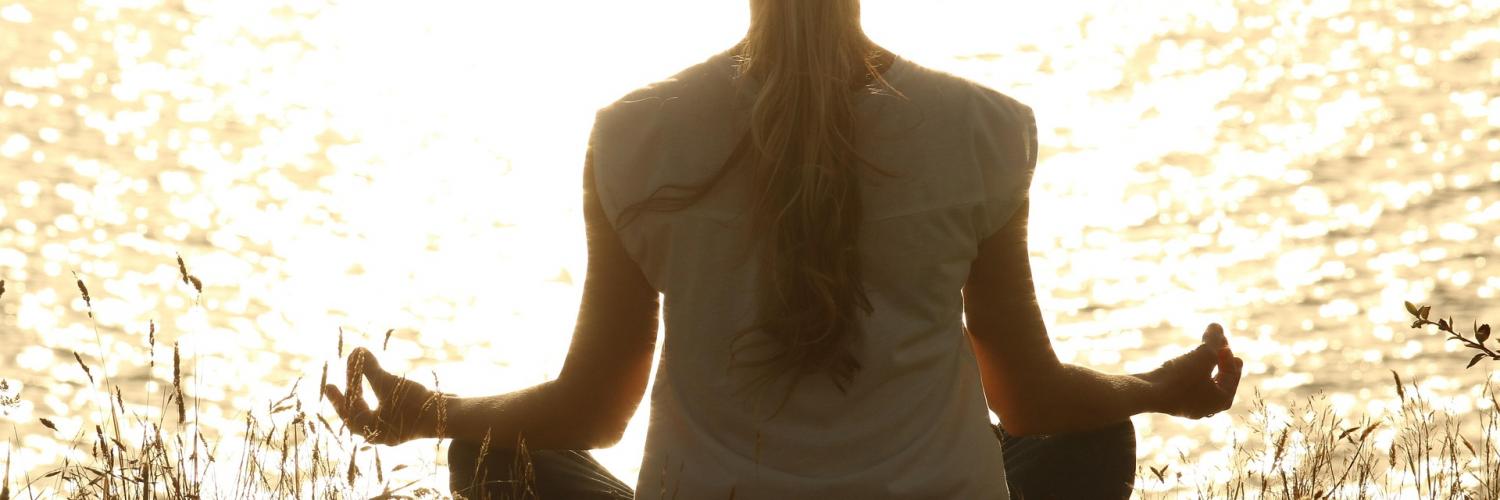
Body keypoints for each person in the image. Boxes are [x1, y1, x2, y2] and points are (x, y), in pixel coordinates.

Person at [321, 1, 1245, 498]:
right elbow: (1029, 397)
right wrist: (1156, 390)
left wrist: (427, 412)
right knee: (1092, 436)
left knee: (487, 461)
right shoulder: (983, 130)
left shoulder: (635, 135)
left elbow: (594, 412)